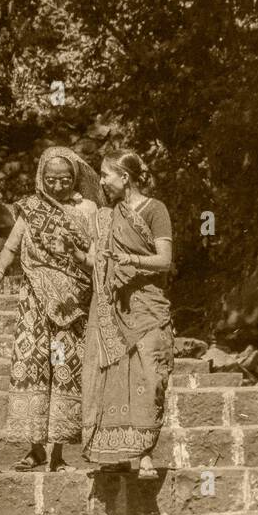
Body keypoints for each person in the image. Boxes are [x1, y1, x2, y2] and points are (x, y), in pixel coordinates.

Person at [0, 146, 101, 471]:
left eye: (65, 179)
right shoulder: (31, 208)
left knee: (64, 372)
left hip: (71, 305)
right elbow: (12, 247)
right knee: (32, 369)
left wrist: (76, 259)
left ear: (75, 178)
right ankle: (35, 449)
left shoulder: (88, 210)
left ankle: (57, 454)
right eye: (51, 179)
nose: (57, 186)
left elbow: (96, 258)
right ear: (41, 178)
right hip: (33, 304)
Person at [81, 149, 173, 478]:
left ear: (125, 178)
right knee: (115, 377)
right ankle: (117, 452)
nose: (102, 181)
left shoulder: (154, 209)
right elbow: (97, 260)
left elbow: (164, 260)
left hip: (146, 306)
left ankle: (145, 453)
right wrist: (73, 251)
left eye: (106, 174)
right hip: (113, 306)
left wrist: (131, 262)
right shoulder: (105, 217)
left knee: (149, 375)